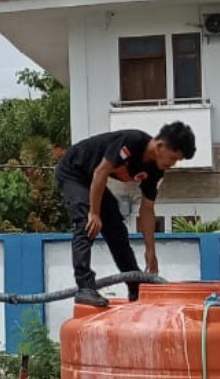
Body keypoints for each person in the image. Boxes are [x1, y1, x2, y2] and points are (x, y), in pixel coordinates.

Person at [54, 121, 196, 307]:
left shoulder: (155, 171)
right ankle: (85, 287)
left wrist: (150, 249)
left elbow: (147, 209)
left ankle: (135, 286)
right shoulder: (132, 141)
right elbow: (101, 171)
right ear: (160, 146)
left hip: (95, 179)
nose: (173, 164)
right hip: (74, 171)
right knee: (86, 223)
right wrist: (94, 213)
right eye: (173, 158)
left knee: (116, 229)